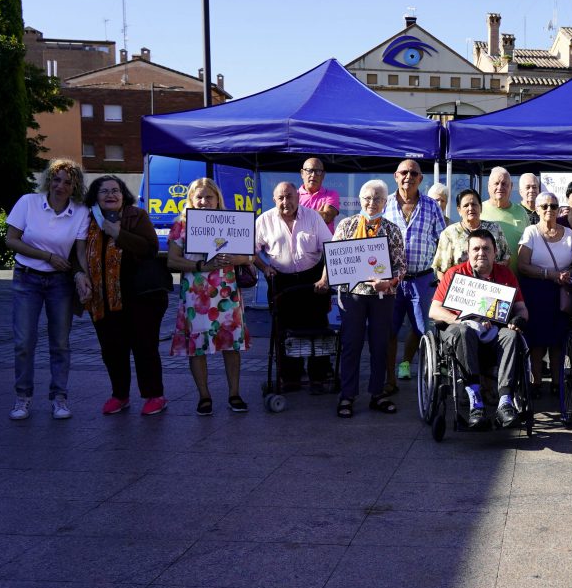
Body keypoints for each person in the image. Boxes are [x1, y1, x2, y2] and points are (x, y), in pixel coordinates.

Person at [74, 176, 168, 416]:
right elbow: (75, 253)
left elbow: (150, 248)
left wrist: (119, 233)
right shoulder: (86, 221)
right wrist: (78, 274)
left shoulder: (136, 216)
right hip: (102, 298)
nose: (110, 195)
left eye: (115, 190)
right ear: (95, 197)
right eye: (103, 191)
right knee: (112, 350)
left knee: (144, 348)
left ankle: (154, 395)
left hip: (141, 298)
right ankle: (120, 395)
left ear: (123, 194)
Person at [5, 159, 90, 420]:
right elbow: (11, 240)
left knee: (60, 343)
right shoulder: (28, 202)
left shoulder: (80, 211)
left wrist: (83, 276)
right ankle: (23, 397)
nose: (60, 186)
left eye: (67, 181)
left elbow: (79, 252)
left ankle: (60, 398)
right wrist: (48, 256)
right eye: (56, 179)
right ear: (48, 180)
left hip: (60, 282)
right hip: (27, 278)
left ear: (75, 186)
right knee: (24, 342)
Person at [319, 180, 407, 418]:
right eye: (367, 198)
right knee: (351, 344)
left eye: (377, 198)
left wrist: (388, 282)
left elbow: (401, 266)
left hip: (383, 295)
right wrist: (325, 278)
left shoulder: (392, 229)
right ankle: (347, 395)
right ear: (360, 200)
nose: (372, 202)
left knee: (380, 345)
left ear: (385, 202)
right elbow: (333, 257)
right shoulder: (346, 226)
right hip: (352, 296)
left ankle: (377, 393)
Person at [167, 177, 252, 416]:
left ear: (217, 199)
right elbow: (172, 260)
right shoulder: (181, 225)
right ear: (191, 200)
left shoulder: (231, 221)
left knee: (232, 345)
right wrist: (201, 266)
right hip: (196, 294)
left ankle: (234, 394)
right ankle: (204, 396)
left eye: (209, 197)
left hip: (226, 293)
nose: (204, 201)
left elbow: (251, 256)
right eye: (199, 197)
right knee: (197, 346)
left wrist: (239, 259)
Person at [430, 229, 529, 429]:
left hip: (494, 332)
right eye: (476, 248)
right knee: (464, 332)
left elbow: (521, 308)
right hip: (462, 332)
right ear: (468, 252)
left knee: (511, 335)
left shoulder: (505, 274)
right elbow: (434, 310)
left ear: (495, 253)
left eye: (486, 249)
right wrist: (459, 320)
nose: (481, 253)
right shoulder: (454, 273)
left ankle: (505, 402)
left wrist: (519, 319)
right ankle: (475, 400)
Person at [253, 181, 333, 391]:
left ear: (298, 197)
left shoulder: (314, 217)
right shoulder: (264, 220)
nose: (286, 202)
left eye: (289, 196)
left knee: (318, 328)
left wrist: (325, 279)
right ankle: (290, 377)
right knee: (283, 331)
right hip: (281, 280)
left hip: (313, 279)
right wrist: (264, 268)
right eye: (281, 198)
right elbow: (250, 250)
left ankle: (319, 375)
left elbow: (330, 249)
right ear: (274, 200)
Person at [383, 159, 446, 393]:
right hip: (392, 281)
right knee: (389, 331)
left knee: (426, 333)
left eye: (413, 173)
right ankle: (390, 380)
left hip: (423, 279)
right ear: (395, 176)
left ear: (421, 178)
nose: (408, 176)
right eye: (403, 172)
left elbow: (443, 242)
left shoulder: (431, 206)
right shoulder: (383, 204)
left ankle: (430, 381)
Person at [516, 191, 572, 395]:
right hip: (536, 291)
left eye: (553, 206)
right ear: (537, 210)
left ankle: (558, 383)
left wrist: (568, 274)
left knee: (558, 339)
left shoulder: (569, 234)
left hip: (562, 293)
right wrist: (549, 274)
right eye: (544, 206)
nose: (549, 209)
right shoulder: (530, 232)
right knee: (537, 340)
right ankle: (536, 382)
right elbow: (523, 266)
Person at [431, 189, 509, 277]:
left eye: (474, 204)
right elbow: (441, 270)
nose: (470, 208)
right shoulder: (449, 233)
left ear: (481, 207)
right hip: (460, 287)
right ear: (459, 210)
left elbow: (506, 258)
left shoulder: (495, 229)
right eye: (466, 205)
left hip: (491, 285)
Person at [480, 166, 530, 272]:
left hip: (516, 279)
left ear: (511, 186)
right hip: (487, 279)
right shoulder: (479, 210)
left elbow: (530, 245)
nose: (500, 187)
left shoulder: (521, 212)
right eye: (496, 183)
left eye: (504, 184)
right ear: (488, 186)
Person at [297, 157, 340, 232]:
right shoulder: (294, 196)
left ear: (323, 175)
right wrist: (318, 214)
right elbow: (289, 218)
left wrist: (299, 213)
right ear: (302, 173)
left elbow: (327, 217)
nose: (313, 175)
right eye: (309, 171)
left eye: (318, 171)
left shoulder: (331, 194)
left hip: (324, 243)